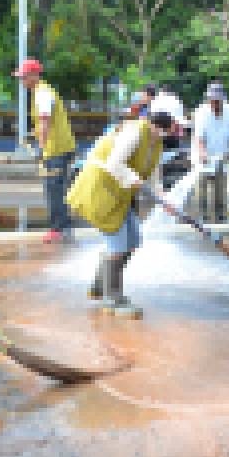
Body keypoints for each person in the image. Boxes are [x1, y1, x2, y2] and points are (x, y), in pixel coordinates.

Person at [66, 111, 176, 318]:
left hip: (120, 195)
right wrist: (135, 180)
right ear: (158, 126)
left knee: (132, 241)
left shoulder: (156, 143)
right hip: (100, 190)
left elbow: (153, 176)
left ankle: (99, 286)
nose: (172, 135)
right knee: (117, 246)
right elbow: (114, 163)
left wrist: (164, 199)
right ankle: (112, 299)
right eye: (170, 130)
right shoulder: (134, 132)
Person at [16, 59, 77, 245]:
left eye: (24, 77)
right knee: (58, 188)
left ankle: (58, 229)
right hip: (61, 146)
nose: (22, 81)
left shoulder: (42, 94)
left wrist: (40, 149)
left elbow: (45, 123)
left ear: (34, 76)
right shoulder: (43, 91)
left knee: (54, 189)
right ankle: (64, 227)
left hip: (55, 149)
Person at [192, 82, 229, 223]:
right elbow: (199, 137)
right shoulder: (201, 112)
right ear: (208, 100)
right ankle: (202, 215)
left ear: (222, 99)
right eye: (212, 100)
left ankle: (220, 214)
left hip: (222, 153)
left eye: (217, 101)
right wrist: (202, 153)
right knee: (202, 185)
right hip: (204, 153)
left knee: (221, 186)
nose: (214, 103)